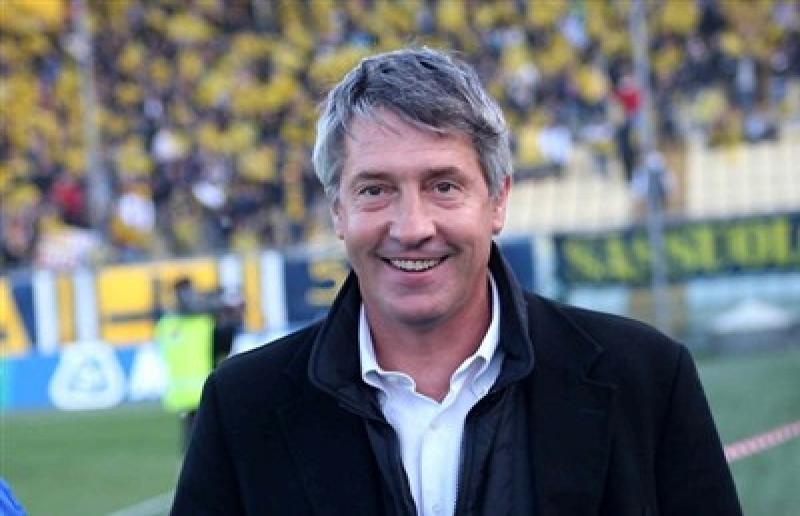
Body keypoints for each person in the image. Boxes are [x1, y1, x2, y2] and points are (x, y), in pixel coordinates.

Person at [171, 48, 741, 515]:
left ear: (497, 201)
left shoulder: (647, 378)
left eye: (443, 186)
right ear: (337, 211)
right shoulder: (242, 407)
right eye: (375, 190)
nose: (412, 228)